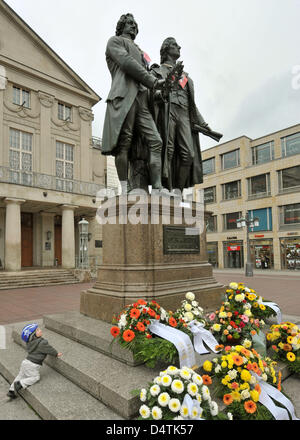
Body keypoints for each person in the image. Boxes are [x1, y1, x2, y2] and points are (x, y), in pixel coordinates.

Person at [101, 13, 166, 193]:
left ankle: (158, 188)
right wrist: (152, 81)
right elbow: (127, 63)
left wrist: (158, 93)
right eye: (129, 23)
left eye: (135, 24)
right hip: (123, 97)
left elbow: (144, 79)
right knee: (124, 143)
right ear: (121, 26)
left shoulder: (140, 51)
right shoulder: (115, 41)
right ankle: (124, 188)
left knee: (156, 141)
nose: (133, 26)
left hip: (141, 99)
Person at [150, 37, 218, 191]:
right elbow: (151, 94)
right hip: (168, 111)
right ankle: (165, 189)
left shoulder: (186, 77)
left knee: (189, 154)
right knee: (168, 151)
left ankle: (178, 191)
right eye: (175, 45)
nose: (179, 47)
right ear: (166, 49)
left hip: (184, 115)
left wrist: (204, 124)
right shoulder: (156, 71)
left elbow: (193, 105)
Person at [7, 323, 62, 399]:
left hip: (26, 362)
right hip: (33, 364)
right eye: (38, 330)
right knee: (35, 377)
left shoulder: (29, 343)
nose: (40, 330)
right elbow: (49, 349)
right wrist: (56, 354)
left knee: (20, 375)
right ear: (33, 335)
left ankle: (11, 390)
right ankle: (20, 384)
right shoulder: (42, 343)